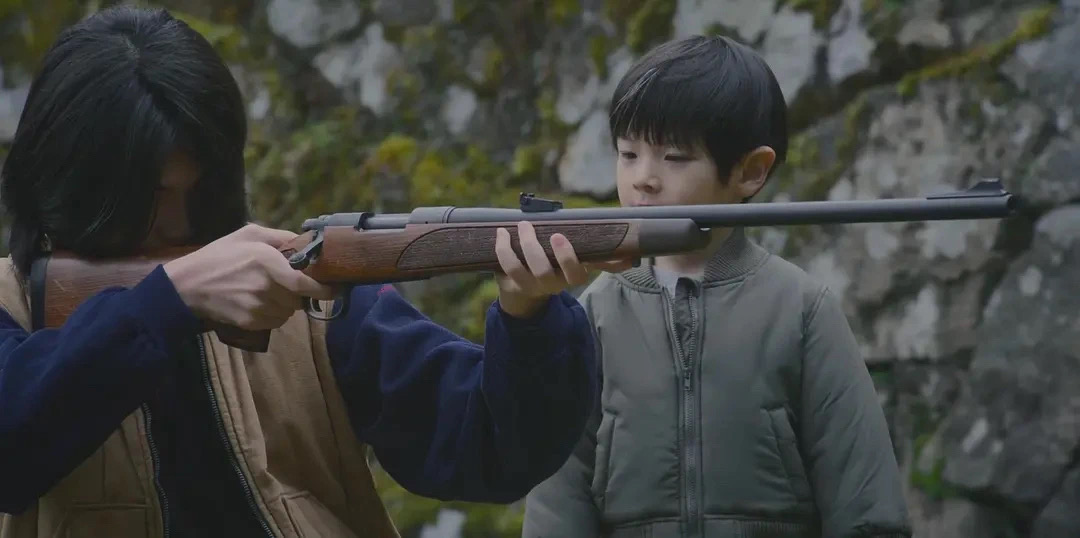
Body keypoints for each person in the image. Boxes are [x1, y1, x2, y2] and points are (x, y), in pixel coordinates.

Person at [0, 6, 631, 537]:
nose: (179, 223)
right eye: (150, 199)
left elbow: (486, 449)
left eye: (197, 193)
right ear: (71, 186)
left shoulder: (307, 294)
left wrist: (527, 317)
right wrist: (167, 303)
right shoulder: (13, 301)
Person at [522, 35, 912, 538]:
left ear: (750, 171)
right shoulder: (593, 315)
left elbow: (867, 509)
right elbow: (557, 504)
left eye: (674, 157)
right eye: (629, 154)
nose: (643, 179)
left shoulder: (800, 310)